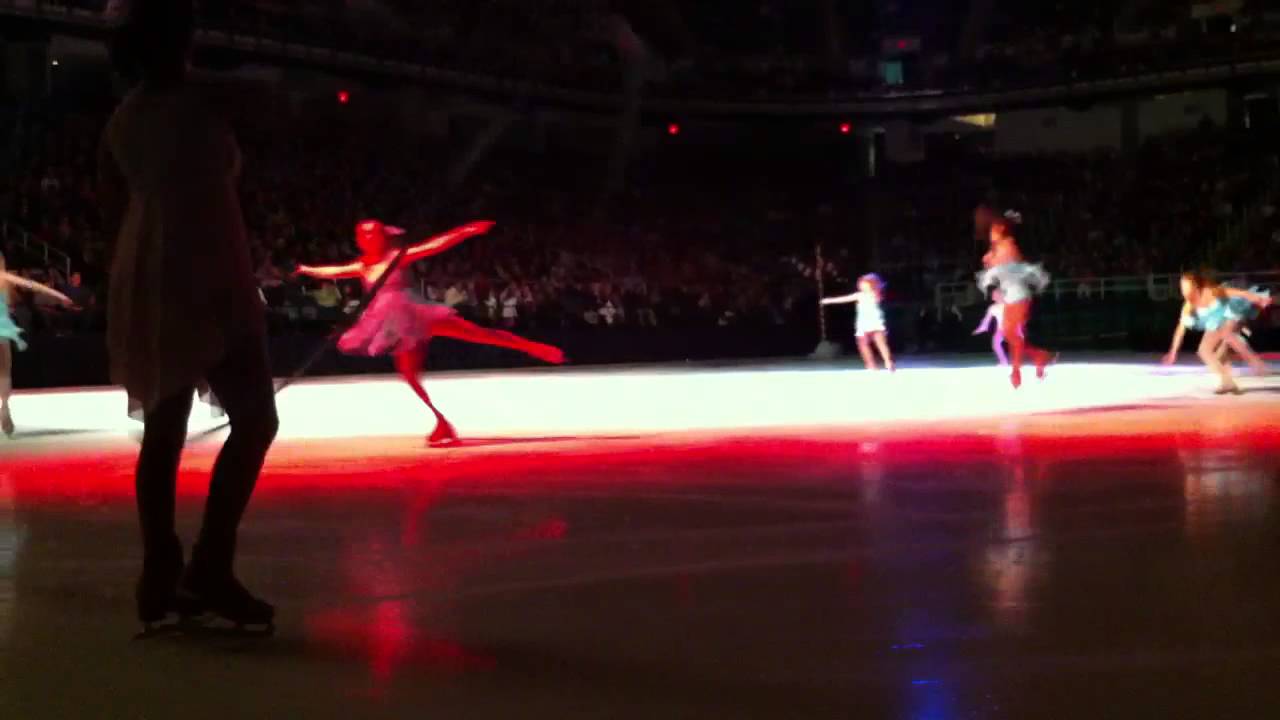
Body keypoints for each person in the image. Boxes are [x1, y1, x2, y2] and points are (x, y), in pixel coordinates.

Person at [100, 0, 277, 630]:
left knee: (165, 430)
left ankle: (161, 573)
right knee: (254, 420)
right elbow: (262, 97)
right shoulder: (200, 103)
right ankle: (208, 566)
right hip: (205, 263)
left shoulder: (128, 116)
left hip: (151, 262)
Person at [296, 219, 565, 446]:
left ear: (381, 236)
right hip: (395, 325)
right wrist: (304, 269)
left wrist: (466, 231)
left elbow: (434, 246)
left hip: (416, 312)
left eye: (372, 233)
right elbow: (334, 271)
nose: (367, 238)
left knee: (480, 334)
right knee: (409, 375)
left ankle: (534, 347)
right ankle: (442, 423)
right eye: (363, 234)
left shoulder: (397, 257)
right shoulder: (362, 266)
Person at [0, 253, 77, 437]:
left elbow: (32, 286)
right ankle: (4, 408)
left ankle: (5, 409)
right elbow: (34, 286)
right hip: (2, 330)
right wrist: (60, 295)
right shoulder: (4, 277)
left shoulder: (4, 277)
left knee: (4, 371)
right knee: (4, 371)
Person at [977, 212, 1055, 388]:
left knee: (1013, 336)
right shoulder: (998, 249)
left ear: (1000, 230)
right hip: (1011, 298)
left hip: (1019, 296)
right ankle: (1039, 357)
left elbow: (1009, 267)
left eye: (993, 230)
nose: (991, 234)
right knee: (1011, 335)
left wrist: (991, 264)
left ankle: (1017, 371)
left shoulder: (1007, 246)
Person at [1161, 271, 1271, 394]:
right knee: (1204, 350)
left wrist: (1257, 299)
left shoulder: (1210, 292)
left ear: (1196, 286)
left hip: (1231, 311)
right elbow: (1180, 330)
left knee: (1226, 333)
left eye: (1186, 286)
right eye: (1181, 287)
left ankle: (1254, 361)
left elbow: (1238, 293)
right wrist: (1173, 352)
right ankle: (1226, 381)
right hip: (1216, 322)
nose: (1183, 290)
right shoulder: (1188, 306)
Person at [821, 273, 894, 371]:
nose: (861, 286)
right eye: (861, 284)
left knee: (881, 344)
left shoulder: (875, 295)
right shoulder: (861, 295)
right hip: (863, 325)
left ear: (871, 285)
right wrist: (829, 301)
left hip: (876, 323)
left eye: (864, 284)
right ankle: (871, 365)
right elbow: (844, 299)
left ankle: (888, 362)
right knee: (863, 345)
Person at [972, 288, 1014, 366]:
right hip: (1001, 330)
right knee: (996, 343)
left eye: (995, 294)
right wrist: (981, 328)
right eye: (993, 295)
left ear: (1001, 295)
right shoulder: (992, 308)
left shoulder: (1010, 305)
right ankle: (1003, 362)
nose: (993, 296)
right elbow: (986, 320)